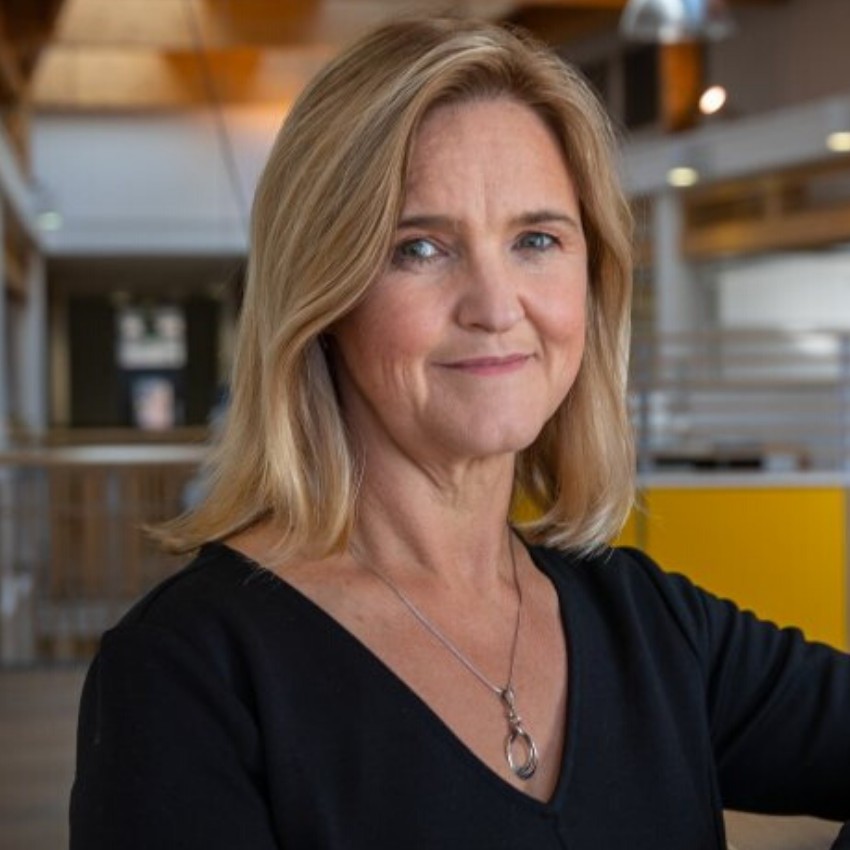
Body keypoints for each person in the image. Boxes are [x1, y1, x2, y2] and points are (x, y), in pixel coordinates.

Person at [70, 16, 850, 849]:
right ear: (323, 296)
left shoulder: (649, 624)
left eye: (537, 240)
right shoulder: (187, 673)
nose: (495, 306)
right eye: (420, 248)